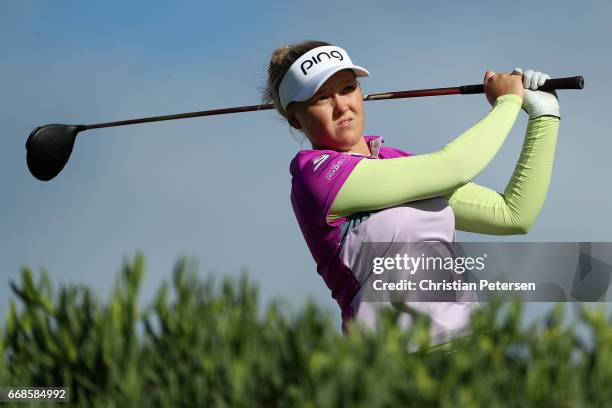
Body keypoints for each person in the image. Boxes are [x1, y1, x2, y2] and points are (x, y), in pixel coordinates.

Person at [262, 40, 560, 345]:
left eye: (348, 88)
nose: (341, 106)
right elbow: (455, 166)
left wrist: (544, 115)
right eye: (322, 97)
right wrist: (508, 102)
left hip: (475, 352)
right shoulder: (315, 176)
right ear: (295, 118)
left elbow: (513, 214)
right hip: (395, 366)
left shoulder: (396, 162)